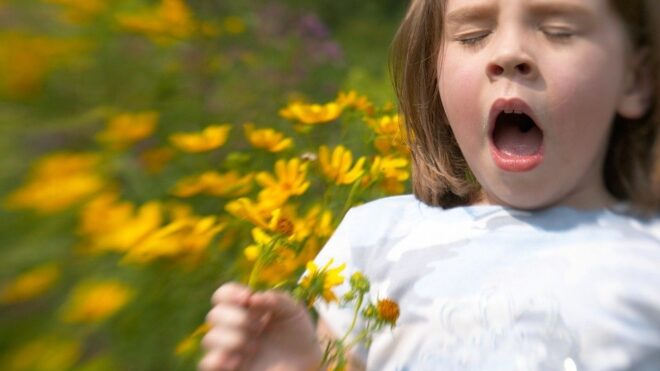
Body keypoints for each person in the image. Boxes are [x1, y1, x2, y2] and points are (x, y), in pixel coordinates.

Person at [199, 0, 660, 369]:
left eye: (559, 30)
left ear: (636, 78)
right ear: (433, 71)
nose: (508, 55)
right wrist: (297, 365)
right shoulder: (379, 238)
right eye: (473, 35)